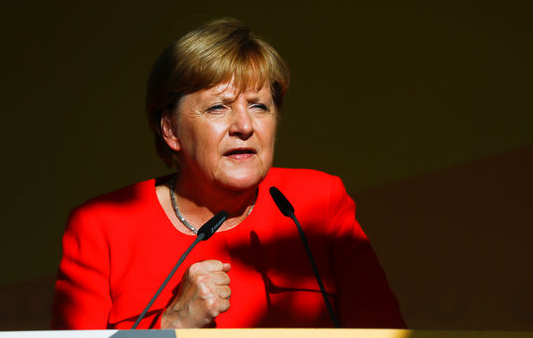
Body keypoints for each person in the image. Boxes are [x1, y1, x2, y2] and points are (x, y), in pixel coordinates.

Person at [52, 18, 405, 329]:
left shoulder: (318, 204)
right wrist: (173, 324)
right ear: (170, 129)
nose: (245, 126)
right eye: (218, 107)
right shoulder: (102, 227)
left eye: (259, 106)